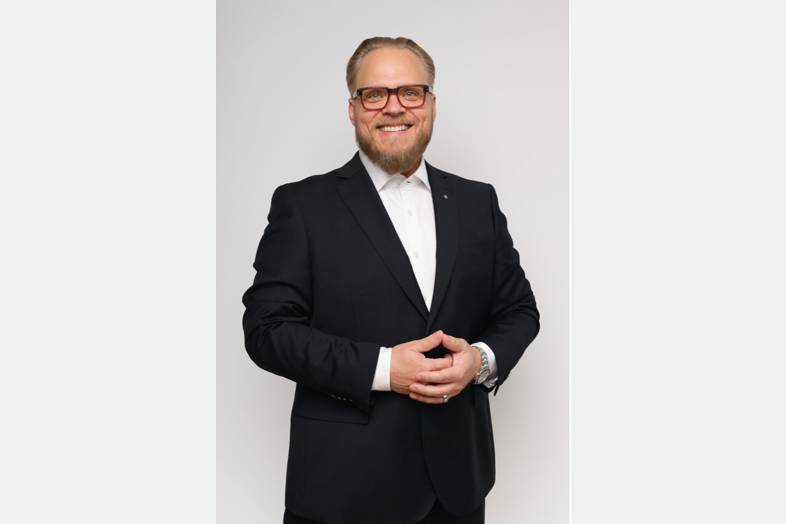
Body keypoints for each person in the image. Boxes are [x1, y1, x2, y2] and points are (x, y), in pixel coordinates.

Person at [241, 36, 540, 524]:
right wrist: (383, 369)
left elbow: (519, 311)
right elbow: (267, 331)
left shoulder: (476, 202)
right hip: (342, 492)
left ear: (431, 104)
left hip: (456, 489)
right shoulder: (304, 206)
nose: (394, 107)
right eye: (375, 94)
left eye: (410, 92)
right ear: (353, 109)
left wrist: (479, 361)